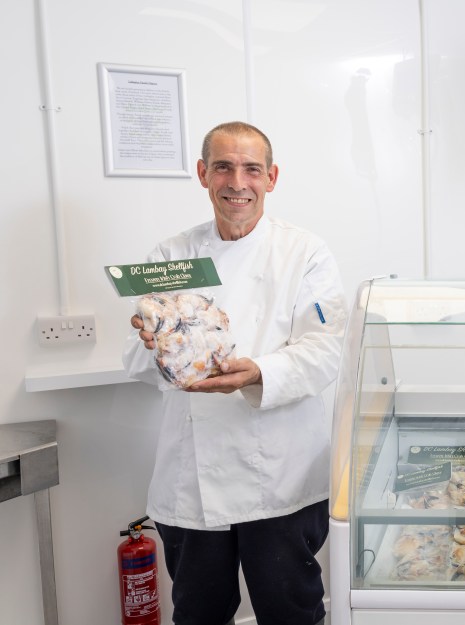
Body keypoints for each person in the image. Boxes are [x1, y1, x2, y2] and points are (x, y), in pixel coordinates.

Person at [123, 121, 346, 625]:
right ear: (203, 174)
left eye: (251, 169)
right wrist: (151, 344)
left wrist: (258, 372)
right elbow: (135, 359)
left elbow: (327, 350)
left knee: (291, 614)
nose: (237, 182)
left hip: (281, 476)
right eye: (223, 167)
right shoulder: (171, 255)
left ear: (272, 177)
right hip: (191, 479)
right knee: (197, 614)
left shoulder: (304, 253)